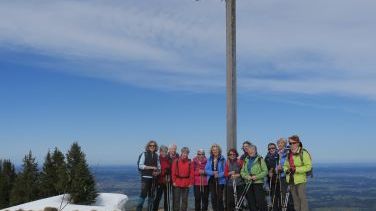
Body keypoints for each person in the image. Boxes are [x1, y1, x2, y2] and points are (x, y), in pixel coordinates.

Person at [283, 135, 312, 211]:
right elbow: (285, 165)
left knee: (302, 199)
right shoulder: (289, 154)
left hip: (300, 180)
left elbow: (308, 166)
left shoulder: (304, 153)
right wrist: (286, 170)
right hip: (291, 179)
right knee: (295, 200)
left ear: (298, 143)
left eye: (293, 143)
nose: (291, 145)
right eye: (290, 143)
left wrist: (296, 169)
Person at [241, 144, 268, 211]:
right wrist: (247, 177)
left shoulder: (260, 159)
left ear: (255, 151)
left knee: (260, 201)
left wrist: (256, 176)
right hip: (248, 182)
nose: (251, 151)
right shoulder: (246, 160)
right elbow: (242, 172)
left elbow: (265, 171)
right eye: (249, 150)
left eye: (252, 150)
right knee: (251, 201)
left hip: (257, 183)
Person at [137, 140, 160, 211]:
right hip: (145, 178)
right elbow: (140, 165)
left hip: (153, 179)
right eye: (150, 145)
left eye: (154, 146)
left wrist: (158, 172)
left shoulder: (156, 155)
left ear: (155, 147)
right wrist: (151, 167)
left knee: (151, 197)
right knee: (143, 195)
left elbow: (159, 167)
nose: (152, 147)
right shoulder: (144, 154)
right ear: (148, 146)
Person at [171, 147, 194, 211]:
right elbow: (173, 172)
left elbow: (192, 173)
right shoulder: (176, 161)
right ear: (181, 153)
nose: (185, 154)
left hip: (186, 183)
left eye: (186, 153)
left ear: (188, 154)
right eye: (184, 153)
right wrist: (173, 181)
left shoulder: (190, 162)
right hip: (177, 182)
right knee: (176, 200)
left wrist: (191, 182)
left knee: (184, 200)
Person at [205, 144, 226, 211]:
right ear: (211, 151)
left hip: (220, 180)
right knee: (213, 197)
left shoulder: (223, 159)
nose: (215, 151)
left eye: (216, 150)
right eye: (213, 150)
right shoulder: (209, 159)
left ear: (219, 150)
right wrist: (212, 173)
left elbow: (225, 171)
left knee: (219, 198)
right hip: (211, 180)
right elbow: (206, 170)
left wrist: (219, 175)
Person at [276, 138, 294, 211]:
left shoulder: (288, 153)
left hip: (289, 176)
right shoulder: (278, 154)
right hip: (281, 177)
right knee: (283, 195)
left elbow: (290, 164)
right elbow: (276, 166)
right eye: (278, 143)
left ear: (285, 144)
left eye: (281, 143)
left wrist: (282, 168)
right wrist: (276, 169)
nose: (279, 145)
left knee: (290, 196)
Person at [153, 145, 171, 211]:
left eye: (165, 152)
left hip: (166, 182)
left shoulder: (168, 160)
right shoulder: (157, 159)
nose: (164, 153)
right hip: (159, 181)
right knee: (157, 198)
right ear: (160, 151)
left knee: (167, 199)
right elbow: (155, 170)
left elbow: (170, 170)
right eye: (162, 151)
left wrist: (169, 176)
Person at [264, 142, 280, 211]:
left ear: (275, 148)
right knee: (273, 196)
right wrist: (268, 173)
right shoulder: (266, 158)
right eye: (269, 148)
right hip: (271, 180)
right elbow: (264, 169)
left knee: (280, 196)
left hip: (279, 179)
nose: (271, 149)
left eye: (273, 148)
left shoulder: (279, 156)